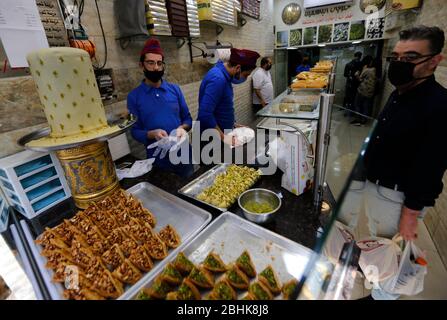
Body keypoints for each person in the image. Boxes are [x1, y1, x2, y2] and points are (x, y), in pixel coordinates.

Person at [340, 25, 447, 300]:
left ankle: (382, 296)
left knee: (392, 254)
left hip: (397, 197)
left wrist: (410, 218)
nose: (400, 64)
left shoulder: (439, 104)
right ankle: (376, 278)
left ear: (435, 60)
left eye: (410, 58)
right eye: (396, 57)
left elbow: (430, 167)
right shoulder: (400, 92)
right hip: (379, 188)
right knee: (380, 243)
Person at [127, 38, 193, 177]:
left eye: (159, 63)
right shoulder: (134, 97)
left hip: (183, 155)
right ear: (141, 65)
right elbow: (135, 131)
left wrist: (182, 129)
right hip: (158, 159)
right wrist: (152, 134)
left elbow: (188, 119)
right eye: (150, 63)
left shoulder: (175, 90)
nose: (156, 67)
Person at [197, 48, 260, 147]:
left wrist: (233, 125)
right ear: (238, 68)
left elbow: (221, 107)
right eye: (246, 74)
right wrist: (223, 137)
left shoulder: (225, 77)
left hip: (220, 134)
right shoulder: (218, 79)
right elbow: (205, 114)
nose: (246, 78)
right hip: (210, 139)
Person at [351, 55, 377, 125]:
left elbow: (360, 79)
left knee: (357, 104)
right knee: (366, 106)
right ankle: (364, 120)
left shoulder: (367, 70)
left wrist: (356, 74)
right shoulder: (375, 70)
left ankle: (358, 119)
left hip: (362, 90)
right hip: (370, 92)